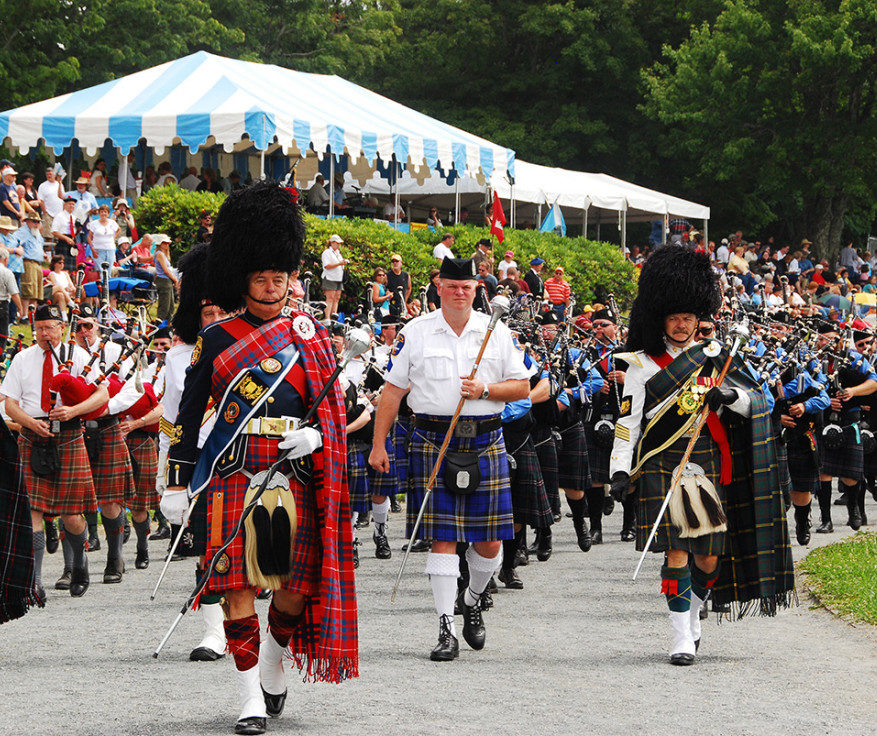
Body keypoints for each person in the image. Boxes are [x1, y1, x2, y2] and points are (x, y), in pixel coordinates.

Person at [164, 182, 357, 734]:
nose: (271, 287)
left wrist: (317, 440)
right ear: (243, 279)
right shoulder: (219, 338)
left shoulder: (312, 337)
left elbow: (333, 415)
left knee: (296, 587)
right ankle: (249, 695)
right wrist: (177, 482)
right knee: (233, 585)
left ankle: (273, 657)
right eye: (261, 278)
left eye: (280, 277)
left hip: (293, 470)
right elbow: (187, 415)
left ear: (291, 276)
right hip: (233, 468)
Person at [608, 245, 795, 666]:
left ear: (698, 320)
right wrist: (619, 471)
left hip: (706, 459)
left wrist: (726, 395)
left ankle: (693, 615)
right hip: (660, 462)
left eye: (688, 318)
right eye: (673, 318)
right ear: (662, 318)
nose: (680, 325)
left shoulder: (715, 359)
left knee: (707, 557)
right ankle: (678, 637)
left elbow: (756, 404)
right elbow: (627, 422)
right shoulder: (638, 363)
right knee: (676, 551)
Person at [369, 256, 530, 662]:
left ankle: (473, 598)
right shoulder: (415, 332)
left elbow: (523, 386)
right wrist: (378, 444)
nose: (460, 292)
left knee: (490, 543)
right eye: (452, 285)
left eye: (468, 286)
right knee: (442, 539)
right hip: (432, 440)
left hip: (485, 439)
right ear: (438, 286)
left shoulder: (495, 330)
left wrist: (486, 389)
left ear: (477, 289)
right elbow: (392, 392)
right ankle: (446, 626)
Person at [1, 303, 109, 602]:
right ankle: (34, 583)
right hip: (33, 435)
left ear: (62, 328)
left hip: (70, 434)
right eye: (38, 328)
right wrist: (30, 424)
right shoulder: (22, 359)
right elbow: (10, 404)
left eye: (49, 327)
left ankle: (80, 566)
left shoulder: (79, 357)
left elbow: (103, 393)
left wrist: (73, 409)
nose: (43, 334)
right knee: (32, 509)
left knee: (71, 514)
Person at [159, 243, 228, 660]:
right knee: (207, 546)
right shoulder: (176, 358)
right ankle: (213, 633)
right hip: (201, 463)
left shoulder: (254, 350)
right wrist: (169, 482)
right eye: (207, 314)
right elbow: (171, 422)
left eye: (222, 312)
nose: (215, 320)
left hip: (245, 459)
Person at [73, 305, 137, 585]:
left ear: (98, 327)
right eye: (79, 326)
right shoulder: (67, 354)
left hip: (107, 425)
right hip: (75, 430)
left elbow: (134, 387)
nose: (84, 331)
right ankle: (74, 565)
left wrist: (104, 407)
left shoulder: (114, 352)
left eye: (89, 325)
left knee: (110, 500)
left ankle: (115, 557)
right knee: (72, 500)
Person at [12, 211, 45, 313]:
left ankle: (32, 314)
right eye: (34, 221)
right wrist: (19, 248)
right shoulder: (23, 231)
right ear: (28, 222)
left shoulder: (37, 233)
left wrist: (43, 254)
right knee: (28, 290)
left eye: (38, 222)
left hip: (38, 264)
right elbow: (13, 241)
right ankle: (24, 314)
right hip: (28, 262)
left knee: (36, 292)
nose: (36, 224)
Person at [0, 247, 23, 350]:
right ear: (5, 259)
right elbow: (14, 293)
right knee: (2, 334)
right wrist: (20, 308)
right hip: (2, 305)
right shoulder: (7, 272)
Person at [320, 234, 347, 321]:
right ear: (332, 243)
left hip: (339, 278)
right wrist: (339, 264)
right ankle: (327, 317)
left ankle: (334, 317)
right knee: (330, 297)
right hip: (330, 277)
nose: (339, 245)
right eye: (337, 243)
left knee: (337, 297)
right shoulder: (326, 253)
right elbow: (327, 266)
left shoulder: (338, 253)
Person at [153, 234, 179, 323]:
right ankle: (158, 326)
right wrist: (175, 280)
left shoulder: (163, 254)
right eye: (164, 243)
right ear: (160, 244)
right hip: (164, 281)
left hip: (167, 280)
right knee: (164, 306)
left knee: (170, 306)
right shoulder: (159, 254)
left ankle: (167, 326)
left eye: (168, 243)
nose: (167, 245)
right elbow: (166, 271)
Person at [51, 195, 80, 271]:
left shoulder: (74, 217)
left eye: (73, 204)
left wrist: (78, 229)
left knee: (71, 268)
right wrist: (66, 238)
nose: (71, 206)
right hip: (63, 241)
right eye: (69, 204)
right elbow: (54, 231)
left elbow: (74, 231)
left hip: (72, 241)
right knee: (62, 266)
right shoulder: (59, 216)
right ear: (65, 205)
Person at [37, 166, 65, 238]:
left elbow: (63, 198)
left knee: (58, 235)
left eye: (51, 174)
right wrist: (45, 212)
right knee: (48, 236)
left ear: (55, 175)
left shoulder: (60, 185)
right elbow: (41, 200)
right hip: (48, 214)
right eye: (47, 174)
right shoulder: (42, 186)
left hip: (58, 214)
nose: (49, 176)